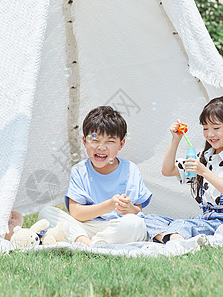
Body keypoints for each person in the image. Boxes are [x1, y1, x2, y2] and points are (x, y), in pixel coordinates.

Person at [145, 96, 223, 243]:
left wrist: (204, 172)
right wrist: (175, 140)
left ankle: (176, 241)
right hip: (204, 219)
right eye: (205, 128)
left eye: (216, 128)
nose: (210, 134)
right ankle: (175, 239)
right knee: (149, 220)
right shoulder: (204, 157)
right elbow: (168, 170)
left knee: (182, 225)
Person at [39, 106, 152, 247]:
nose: (101, 147)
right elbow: (76, 213)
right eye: (95, 140)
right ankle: (91, 243)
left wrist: (129, 207)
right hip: (86, 226)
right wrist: (110, 204)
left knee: (136, 224)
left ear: (121, 144)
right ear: (84, 142)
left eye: (110, 142)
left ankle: (88, 243)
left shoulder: (131, 169)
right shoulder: (79, 171)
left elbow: (137, 212)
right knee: (47, 213)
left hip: (117, 226)